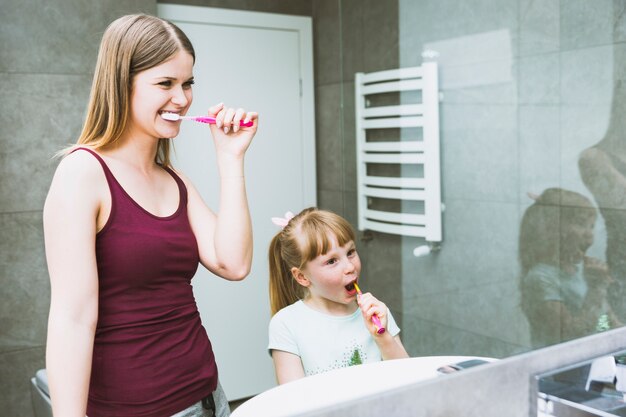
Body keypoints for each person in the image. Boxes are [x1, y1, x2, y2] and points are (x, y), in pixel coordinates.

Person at [43, 14, 258, 417]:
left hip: (209, 398)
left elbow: (235, 262)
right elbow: (72, 321)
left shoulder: (173, 179)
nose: (182, 98)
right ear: (122, 83)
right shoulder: (83, 173)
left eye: (188, 83)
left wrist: (230, 160)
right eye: (165, 83)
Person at [267, 208, 409, 384]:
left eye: (350, 252)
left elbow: (407, 377)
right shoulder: (286, 324)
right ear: (302, 277)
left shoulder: (378, 313)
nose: (350, 266)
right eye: (332, 261)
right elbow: (294, 400)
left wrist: (383, 337)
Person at [518, 188, 620, 348]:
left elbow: (603, 321)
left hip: (593, 361)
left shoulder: (582, 271)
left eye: (591, 226)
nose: (589, 234)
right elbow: (568, 339)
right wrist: (596, 289)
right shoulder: (540, 278)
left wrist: (619, 344)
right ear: (553, 230)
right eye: (581, 224)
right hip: (560, 369)